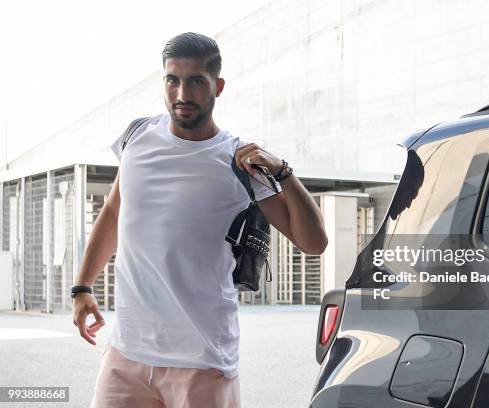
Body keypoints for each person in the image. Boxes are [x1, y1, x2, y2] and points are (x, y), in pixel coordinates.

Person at [71, 32, 328, 408]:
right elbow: (113, 211)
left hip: (202, 363)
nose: (182, 94)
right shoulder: (137, 137)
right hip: (127, 356)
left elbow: (314, 242)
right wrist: (82, 288)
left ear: (217, 86)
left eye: (195, 82)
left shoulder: (239, 160)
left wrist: (284, 172)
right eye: (172, 80)